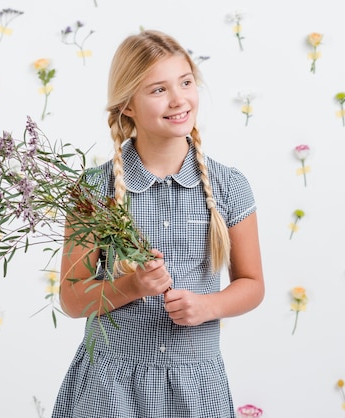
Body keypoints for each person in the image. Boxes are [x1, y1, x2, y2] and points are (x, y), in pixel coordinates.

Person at [52, 29, 265, 418]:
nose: (179, 99)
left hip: (195, 387)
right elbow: (71, 298)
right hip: (110, 388)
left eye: (185, 82)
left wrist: (208, 305)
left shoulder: (228, 187)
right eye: (158, 90)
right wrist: (132, 285)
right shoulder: (94, 190)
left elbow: (252, 285)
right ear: (128, 105)